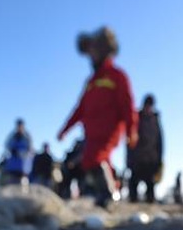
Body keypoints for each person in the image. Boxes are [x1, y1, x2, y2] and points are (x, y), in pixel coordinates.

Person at [57, 26, 138, 208]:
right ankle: (107, 194)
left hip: (109, 132)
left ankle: (109, 195)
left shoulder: (118, 76)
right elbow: (79, 109)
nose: (91, 55)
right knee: (91, 161)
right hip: (91, 134)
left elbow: (128, 105)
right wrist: (64, 130)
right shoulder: (90, 82)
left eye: (94, 50)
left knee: (93, 158)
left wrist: (131, 130)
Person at [126, 94, 164, 203]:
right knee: (133, 183)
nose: (148, 108)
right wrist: (129, 159)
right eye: (146, 105)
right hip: (137, 158)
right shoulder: (136, 118)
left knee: (150, 184)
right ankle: (132, 204)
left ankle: (150, 204)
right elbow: (129, 140)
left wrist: (159, 160)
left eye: (150, 105)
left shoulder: (156, 120)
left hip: (151, 158)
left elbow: (160, 142)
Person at [2, 119, 34, 186]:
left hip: (23, 167)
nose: (19, 127)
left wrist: (22, 153)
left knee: (22, 184)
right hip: (12, 167)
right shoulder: (12, 136)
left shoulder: (27, 137)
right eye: (18, 125)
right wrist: (12, 151)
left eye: (20, 125)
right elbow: (7, 145)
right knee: (11, 184)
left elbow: (30, 150)